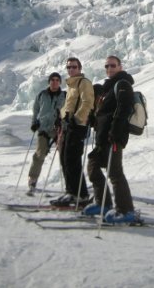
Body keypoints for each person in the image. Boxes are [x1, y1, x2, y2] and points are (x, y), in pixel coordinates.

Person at [83, 55, 138, 223]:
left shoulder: (123, 84)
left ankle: (126, 210)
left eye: (113, 65)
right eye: (107, 66)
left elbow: (124, 109)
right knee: (93, 165)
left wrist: (114, 131)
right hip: (103, 137)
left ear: (120, 66)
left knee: (115, 173)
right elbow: (106, 112)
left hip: (114, 137)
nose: (109, 69)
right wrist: (95, 120)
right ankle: (102, 203)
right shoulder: (109, 88)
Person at [50, 57, 94, 207]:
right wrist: (61, 118)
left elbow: (88, 102)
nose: (71, 70)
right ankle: (71, 192)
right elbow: (68, 106)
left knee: (72, 160)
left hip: (78, 126)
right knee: (65, 158)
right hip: (69, 126)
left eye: (74, 67)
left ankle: (80, 195)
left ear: (80, 68)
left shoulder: (84, 83)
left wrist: (76, 119)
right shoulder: (71, 86)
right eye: (69, 67)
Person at [27, 72, 65, 196]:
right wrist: (34, 122)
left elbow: (67, 111)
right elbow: (36, 110)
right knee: (39, 154)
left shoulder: (64, 95)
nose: (54, 82)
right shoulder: (41, 95)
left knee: (65, 154)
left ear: (60, 82)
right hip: (43, 128)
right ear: (49, 82)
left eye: (57, 80)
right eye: (52, 80)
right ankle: (32, 181)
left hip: (58, 128)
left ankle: (70, 182)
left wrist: (63, 123)